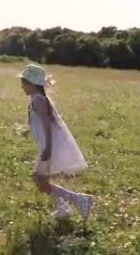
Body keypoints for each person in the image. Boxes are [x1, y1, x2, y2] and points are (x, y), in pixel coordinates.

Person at [17, 63, 94, 220]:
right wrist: (28, 130)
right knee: (41, 180)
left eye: (24, 83)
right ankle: (63, 208)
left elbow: (47, 126)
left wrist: (48, 149)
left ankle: (79, 199)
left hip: (48, 146)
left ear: (33, 84)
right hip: (47, 145)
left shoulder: (38, 101)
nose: (22, 87)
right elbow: (44, 122)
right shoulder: (38, 98)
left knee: (40, 180)